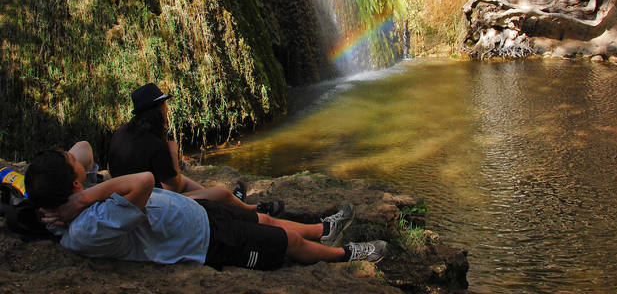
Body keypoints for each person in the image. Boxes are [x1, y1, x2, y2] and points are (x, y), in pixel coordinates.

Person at [25, 150, 388, 269]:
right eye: (72, 163)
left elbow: (84, 147)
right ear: (75, 186)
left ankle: (324, 230)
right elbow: (145, 181)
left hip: (196, 215)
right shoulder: (86, 224)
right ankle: (346, 255)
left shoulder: (68, 201)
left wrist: (74, 191)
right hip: (208, 243)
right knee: (282, 241)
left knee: (261, 216)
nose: (78, 158)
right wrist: (86, 199)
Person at [108, 83, 282, 215]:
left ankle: (232, 203)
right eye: (164, 105)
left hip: (124, 194)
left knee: (187, 182)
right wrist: (172, 153)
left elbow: (110, 168)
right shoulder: (155, 144)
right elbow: (173, 187)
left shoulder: (121, 132)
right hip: (150, 205)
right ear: (157, 110)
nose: (167, 109)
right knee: (220, 193)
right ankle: (250, 210)